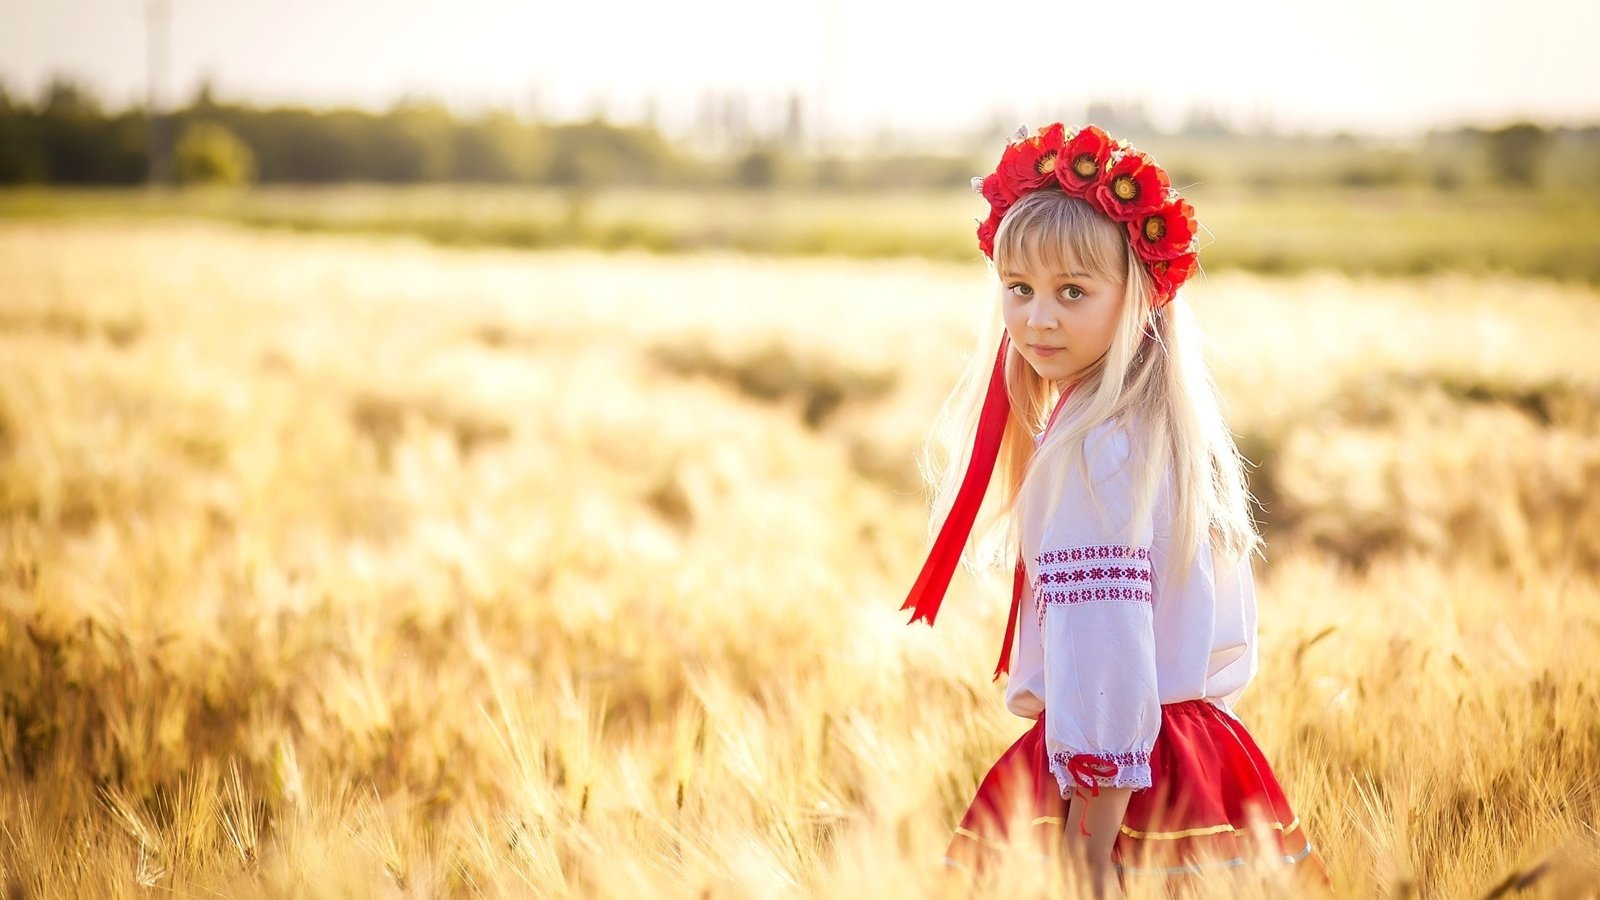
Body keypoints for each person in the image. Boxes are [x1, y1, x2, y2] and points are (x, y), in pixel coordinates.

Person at [899, 124, 1334, 897]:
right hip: (1199, 762)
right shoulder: (1154, 432)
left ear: (1136, 294)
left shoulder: (1092, 454)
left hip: (1112, 791)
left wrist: (1090, 855)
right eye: (1018, 289)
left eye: (1073, 291)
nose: (1037, 319)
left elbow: (1106, 657)